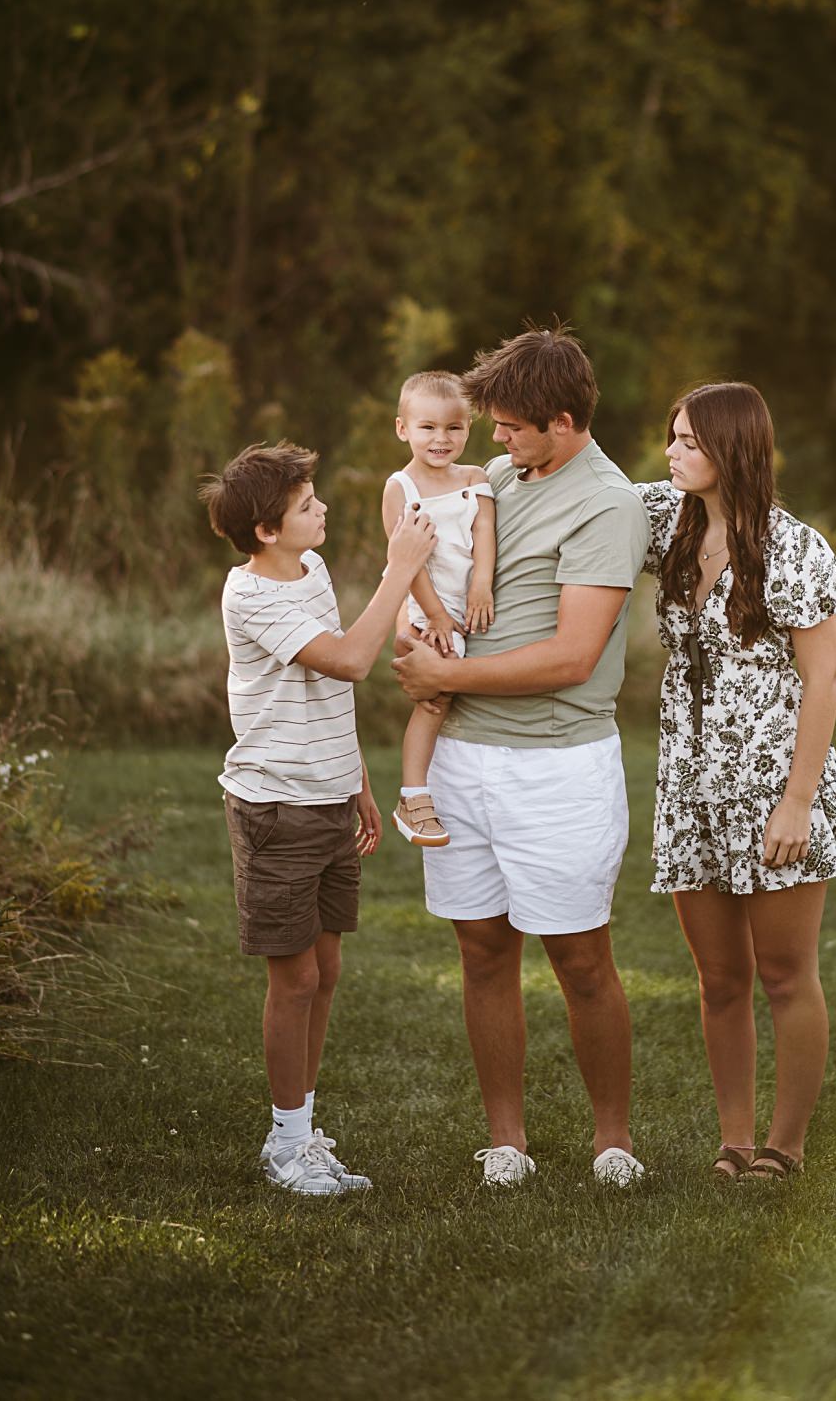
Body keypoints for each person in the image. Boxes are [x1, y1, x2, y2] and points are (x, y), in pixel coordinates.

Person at [393, 325, 650, 1189]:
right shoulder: (501, 477)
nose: (491, 441)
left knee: (580, 958)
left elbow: (573, 656)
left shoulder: (609, 504)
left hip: (557, 767)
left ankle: (611, 1140)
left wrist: (443, 670)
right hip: (464, 756)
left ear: (565, 421)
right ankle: (507, 1140)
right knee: (481, 948)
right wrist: (423, 640)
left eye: (509, 427)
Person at [636, 383, 836, 1181]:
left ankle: (787, 1145)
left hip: (774, 782)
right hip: (690, 784)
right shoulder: (666, 521)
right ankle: (734, 1139)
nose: (671, 452)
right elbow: (579, 487)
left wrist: (798, 798)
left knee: (783, 972)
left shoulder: (794, 546)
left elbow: (826, 675)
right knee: (720, 977)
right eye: (671, 436)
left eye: (688, 441)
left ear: (732, 448)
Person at [199, 440, 436, 1196]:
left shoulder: (314, 569)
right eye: (306, 504)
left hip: (330, 794)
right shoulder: (251, 595)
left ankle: (301, 1130)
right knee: (295, 975)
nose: (322, 508)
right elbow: (349, 660)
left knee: (326, 968)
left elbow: (332, 694)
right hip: (276, 805)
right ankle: (284, 1143)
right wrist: (401, 570)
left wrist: (358, 779)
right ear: (267, 529)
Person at [380, 370, 496, 849]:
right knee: (436, 699)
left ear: (469, 428)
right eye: (427, 427)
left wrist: (481, 587)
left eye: (454, 427)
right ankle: (413, 796)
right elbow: (407, 563)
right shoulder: (401, 488)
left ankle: (453, 790)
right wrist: (437, 616)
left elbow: (483, 534)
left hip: (469, 597)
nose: (442, 438)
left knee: (449, 694)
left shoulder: (476, 478)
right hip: (429, 604)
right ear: (403, 428)